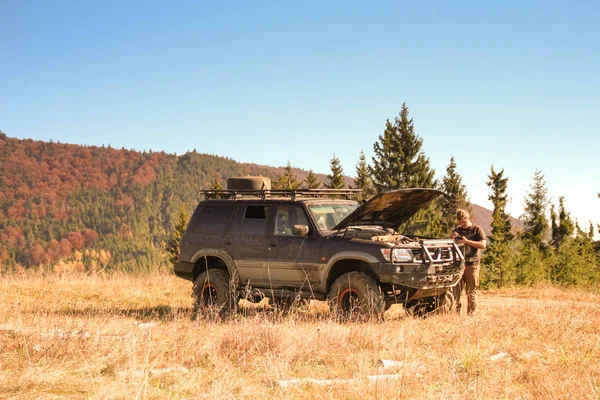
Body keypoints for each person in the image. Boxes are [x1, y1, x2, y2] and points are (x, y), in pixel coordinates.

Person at [452, 209, 487, 316]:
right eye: (460, 222)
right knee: (455, 291)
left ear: (468, 218)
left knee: (471, 291)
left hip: (472, 264)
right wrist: (452, 238)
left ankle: (471, 314)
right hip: (459, 264)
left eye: (464, 222)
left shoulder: (477, 230)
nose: (462, 224)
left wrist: (467, 242)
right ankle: (455, 313)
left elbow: (483, 245)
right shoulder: (458, 230)